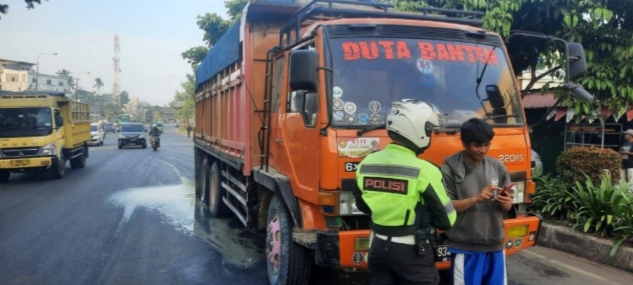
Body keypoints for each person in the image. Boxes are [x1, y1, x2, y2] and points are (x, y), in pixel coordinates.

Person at [353, 100, 456, 285]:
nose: (430, 135)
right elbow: (446, 220)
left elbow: (362, 205)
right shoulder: (425, 170)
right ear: (417, 130)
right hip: (412, 253)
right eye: (428, 130)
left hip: (377, 248)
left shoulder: (366, 163)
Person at [440, 118, 513, 285]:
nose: (483, 150)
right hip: (464, 246)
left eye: (487, 144)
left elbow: (509, 206)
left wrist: (505, 201)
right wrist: (477, 198)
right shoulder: (449, 168)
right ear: (465, 144)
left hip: (495, 243)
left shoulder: (497, 166)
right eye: (477, 145)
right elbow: (447, 207)